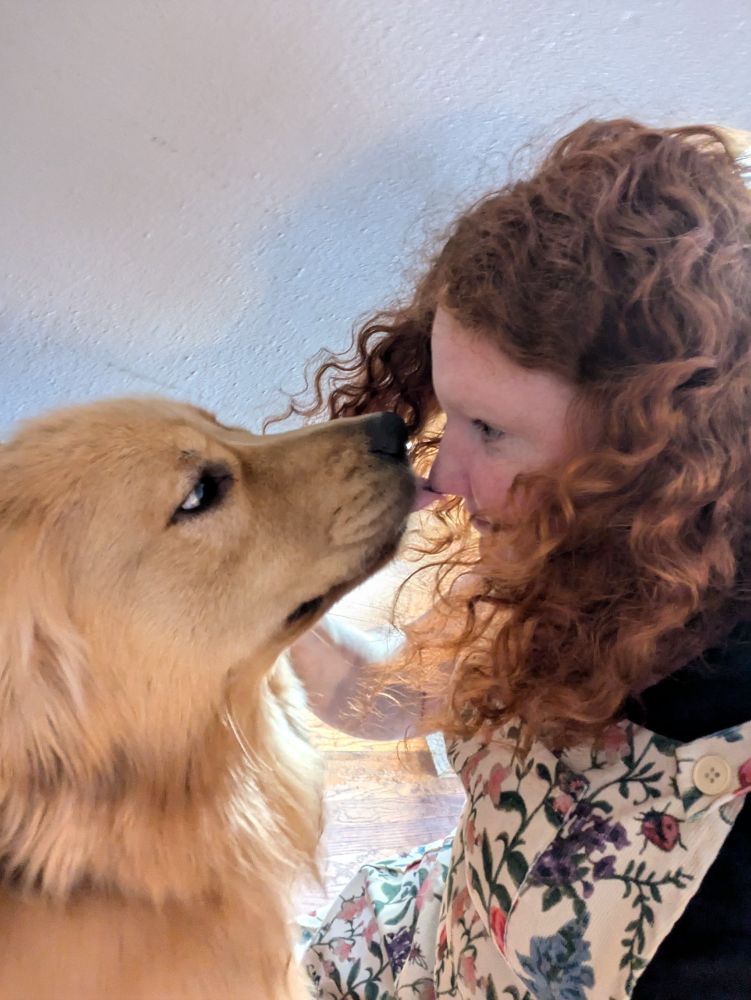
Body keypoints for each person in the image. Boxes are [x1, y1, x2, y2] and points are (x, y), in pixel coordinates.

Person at [289, 119, 751, 999]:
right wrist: (276, 586)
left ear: (648, 453)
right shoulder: (571, 546)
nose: (443, 476)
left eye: (490, 433)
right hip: (438, 935)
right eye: (451, 415)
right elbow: (376, 697)